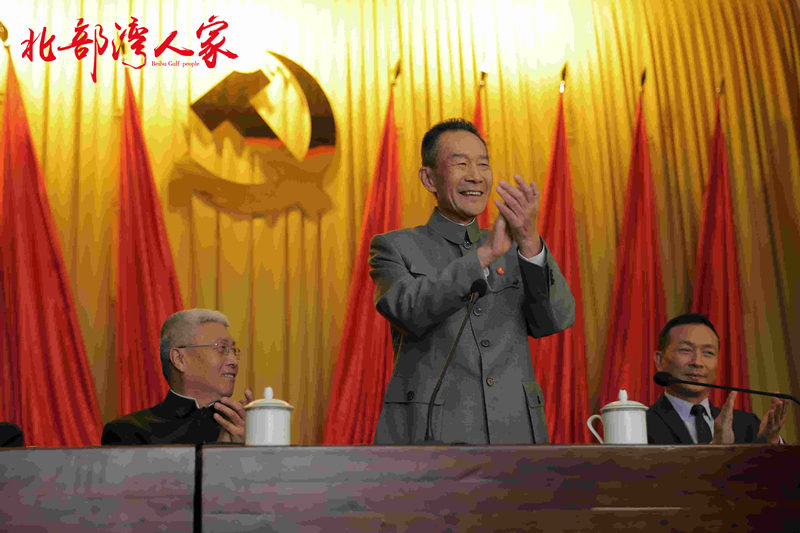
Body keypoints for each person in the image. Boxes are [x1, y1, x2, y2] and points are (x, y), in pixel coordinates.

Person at [369, 118, 575, 445]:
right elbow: (409, 310)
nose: (475, 176)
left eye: (483, 164)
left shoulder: (516, 248)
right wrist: (483, 257)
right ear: (429, 178)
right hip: (432, 434)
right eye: (460, 164)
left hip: (515, 432)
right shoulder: (394, 246)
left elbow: (556, 318)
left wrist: (531, 242)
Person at [102, 309, 253, 445]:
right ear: (179, 359)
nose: (234, 361)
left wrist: (253, 443)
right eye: (222, 348)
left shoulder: (247, 427)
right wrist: (227, 451)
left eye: (234, 350)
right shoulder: (128, 432)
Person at [648, 313, 788, 444]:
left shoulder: (747, 425)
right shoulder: (642, 424)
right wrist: (718, 451)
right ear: (659, 360)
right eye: (686, 350)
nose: (697, 362)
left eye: (708, 353)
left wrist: (771, 441)